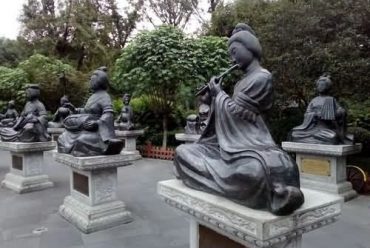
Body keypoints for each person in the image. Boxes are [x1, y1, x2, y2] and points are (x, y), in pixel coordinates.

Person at [174, 24, 304, 216]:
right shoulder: (241, 82)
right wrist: (211, 100)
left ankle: (267, 189)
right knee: (183, 151)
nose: (232, 58)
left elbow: (238, 115)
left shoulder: (262, 77)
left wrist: (219, 95)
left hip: (253, 144)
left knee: (255, 171)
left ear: (249, 47)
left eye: (235, 51)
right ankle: (226, 178)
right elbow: (227, 116)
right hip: (230, 145)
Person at [57, 68, 124, 156]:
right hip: (85, 127)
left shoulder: (104, 96)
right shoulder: (92, 97)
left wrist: (97, 123)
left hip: (97, 131)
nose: (90, 82)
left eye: (92, 80)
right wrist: (74, 109)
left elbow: (109, 114)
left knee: (81, 140)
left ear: (100, 81)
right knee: (62, 138)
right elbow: (86, 111)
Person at [288, 74, 353, 145]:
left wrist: (338, 113)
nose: (320, 87)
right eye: (319, 85)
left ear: (327, 87)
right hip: (312, 128)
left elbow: (341, 111)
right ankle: (313, 138)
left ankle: (315, 139)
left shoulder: (331, 100)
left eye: (323, 85)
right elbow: (307, 114)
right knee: (294, 134)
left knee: (332, 137)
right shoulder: (314, 100)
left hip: (325, 129)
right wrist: (315, 115)